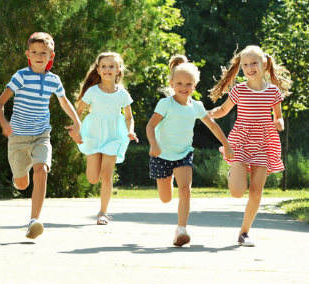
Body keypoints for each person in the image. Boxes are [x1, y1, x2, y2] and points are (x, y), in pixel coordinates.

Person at [0, 32, 81, 239]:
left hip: (41, 134)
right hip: (18, 137)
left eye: (43, 52)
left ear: (51, 55)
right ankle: (17, 179)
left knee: (41, 171)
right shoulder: (21, 76)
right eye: (34, 52)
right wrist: (4, 124)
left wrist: (77, 121)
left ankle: (34, 221)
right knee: (22, 184)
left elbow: (64, 101)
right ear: (28, 54)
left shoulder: (54, 80)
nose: (39, 56)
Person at [208, 45, 292, 247]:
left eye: (254, 63)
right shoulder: (239, 90)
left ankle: (244, 233)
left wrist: (278, 123)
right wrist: (206, 113)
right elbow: (223, 110)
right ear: (241, 69)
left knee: (256, 192)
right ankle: (234, 172)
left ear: (264, 64)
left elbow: (277, 117)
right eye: (245, 64)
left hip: (264, 142)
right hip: (241, 142)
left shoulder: (273, 91)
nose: (249, 67)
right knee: (237, 192)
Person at [146, 55, 234, 246]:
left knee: (185, 190)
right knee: (165, 198)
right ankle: (167, 182)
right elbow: (150, 126)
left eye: (188, 83)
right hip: (161, 155)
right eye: (179, 83)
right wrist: (153, 144)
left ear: (195, 85)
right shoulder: (165, 104)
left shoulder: (196, 106)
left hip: (184, 154)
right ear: (171, 83)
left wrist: (226, 144)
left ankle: (182, 229)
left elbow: (213, 126)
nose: (183, 87)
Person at [71, 52, 138, 225]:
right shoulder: (92, 91)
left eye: (111, 66)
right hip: (93, 133)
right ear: (98, 70)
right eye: (104, 66)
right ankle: (94, 166)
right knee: (93, 178)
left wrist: (130, 131)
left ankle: (103, 213)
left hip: (114, 135)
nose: (107, 69)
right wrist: (76, 129)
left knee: (107, 174)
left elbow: (129, 117)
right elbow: (78, 112)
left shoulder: (123, 94)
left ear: (118, 70)